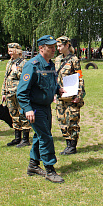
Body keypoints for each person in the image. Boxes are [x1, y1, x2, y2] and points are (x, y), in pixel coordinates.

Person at [17, 35, 65, 183]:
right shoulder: (32, 65)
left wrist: (58, 90)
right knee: (46, 137)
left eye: (54, 47)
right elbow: (21, 91)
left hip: (46, 107)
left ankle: (33, 165)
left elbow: (51, 83)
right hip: (35, 108)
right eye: (49, 47)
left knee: (40, 135)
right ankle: (50, 169)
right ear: (41, 48)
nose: (53, 50)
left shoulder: (50, 64)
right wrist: (27, 109)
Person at [55, 36, 85, 155]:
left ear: (67, 45)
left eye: (60, 46)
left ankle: (73, 146)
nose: (58, 48)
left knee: (72, 120)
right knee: (62, 120)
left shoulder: (74, 60)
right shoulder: (57, 59)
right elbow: (55, 77)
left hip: (72, 96)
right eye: (57, 46)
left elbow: (80, 78)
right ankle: (68, 143)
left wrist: (79, 95)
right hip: (60, 95)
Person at [1, 43, 31, 147]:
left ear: (18, 50)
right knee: (14, 115)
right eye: (9, 49)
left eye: (12, 49)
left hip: (19, 92)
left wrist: (17, 71)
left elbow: (26, 78)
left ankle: (25, 139)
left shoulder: (24, 63)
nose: (9, 50)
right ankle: (17, 137)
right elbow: (6, 78)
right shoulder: (9, 62)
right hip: (9, 92)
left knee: (22, 114)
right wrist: (3, 92)